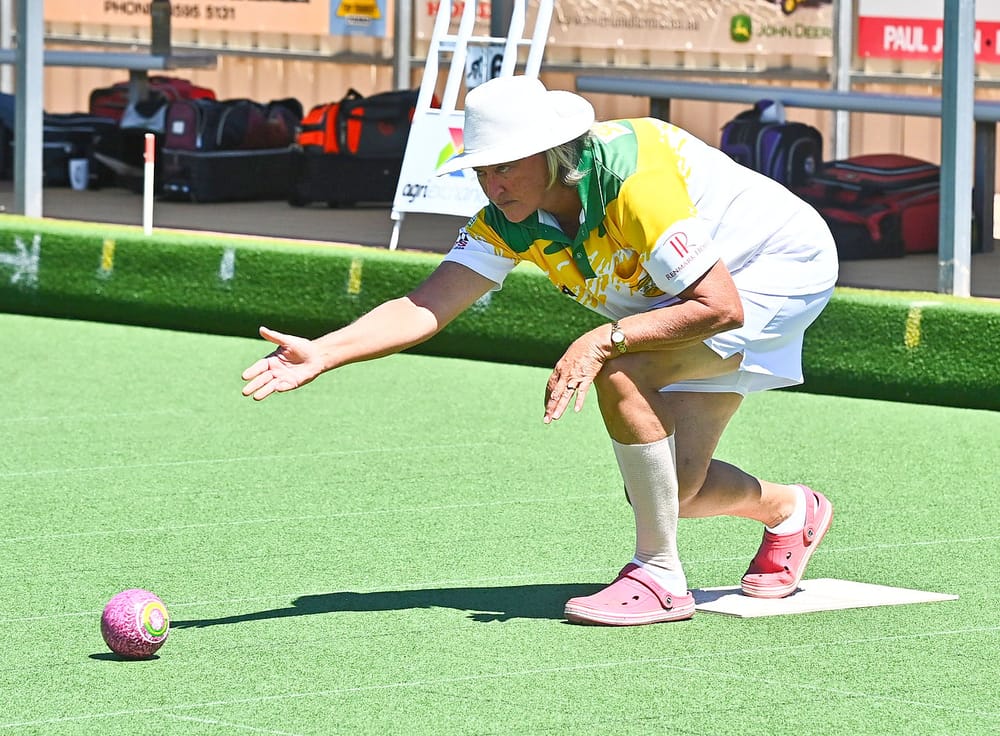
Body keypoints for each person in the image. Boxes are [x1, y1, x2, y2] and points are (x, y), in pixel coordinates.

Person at [241, 75, 839, 626]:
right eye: (481, 171)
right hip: (678, 291)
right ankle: (791, 510)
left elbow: (721, 307)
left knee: (621, 373)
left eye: (506, 167)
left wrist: (603, 339)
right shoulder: (509, 216)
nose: (492, 185)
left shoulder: (635, 184)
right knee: (674, 490)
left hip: (773, 266)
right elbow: (428, 304)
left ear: (554, 154)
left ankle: (658, 576)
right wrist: (324, 352)